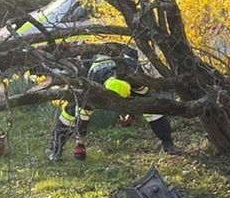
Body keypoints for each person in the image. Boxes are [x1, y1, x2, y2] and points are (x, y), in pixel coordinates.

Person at [48, 53, 177, 161]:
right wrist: (79, 144)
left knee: (152, 109)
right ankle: (56, 148)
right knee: (72, 111)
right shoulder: (94, 82)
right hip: (92, 67)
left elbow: (146, 100)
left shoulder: (135, 76)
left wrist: (131, 114)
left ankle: (168, 143)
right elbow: (83, 115)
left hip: (124, 61)